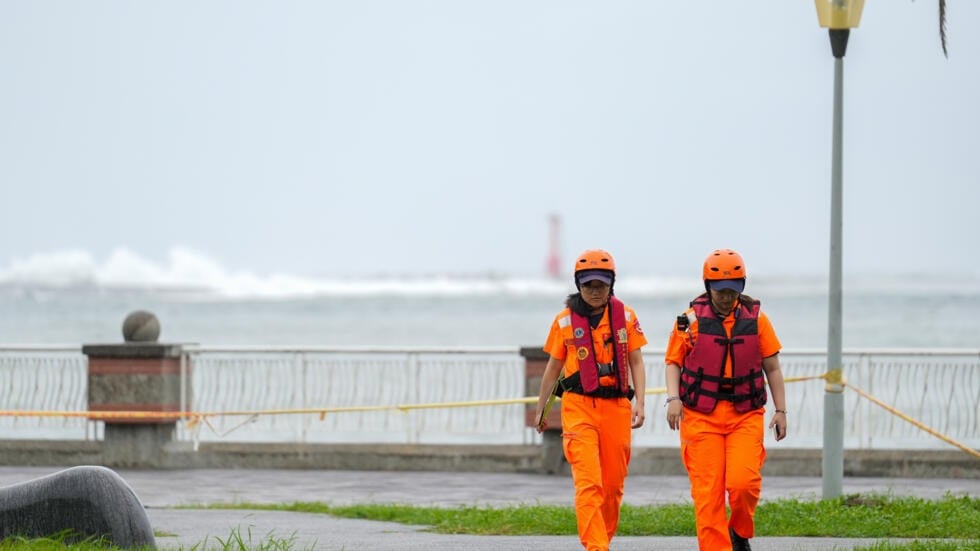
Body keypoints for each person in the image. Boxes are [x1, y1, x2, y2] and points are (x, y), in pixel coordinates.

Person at [664, 248, 788, 551]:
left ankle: (740, 531)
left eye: (733, 290)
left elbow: (772, 366)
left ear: (742, 287)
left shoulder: (757, 321)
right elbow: (673, 362)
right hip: (700, 416)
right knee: (708, 495)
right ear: (708, 287)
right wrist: (673, 399)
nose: (726, 296)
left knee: (743, 485)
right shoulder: (688, 321)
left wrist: (781, 410)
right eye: (720, 290)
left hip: (744, 415)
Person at [533, 248, 647, 551]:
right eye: (588, 285)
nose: (595, 292)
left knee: (611, 488)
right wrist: (542, 409)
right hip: (579, 407)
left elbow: (636, 361)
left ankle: (601, 541)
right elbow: (552, 369)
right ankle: (597, 548)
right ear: (578, 286)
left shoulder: (627, 317)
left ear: (611, 284)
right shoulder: (563, 322)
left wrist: (641, 403)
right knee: (588, 484)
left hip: (617, 409)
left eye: (601, 285)